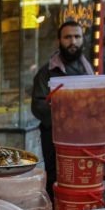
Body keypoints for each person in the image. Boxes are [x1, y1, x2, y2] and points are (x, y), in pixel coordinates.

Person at [30, 20, 94, 195]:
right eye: (68, 37)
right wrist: (67, 119)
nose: (73, 41)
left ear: (83, 40)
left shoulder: (90, 71)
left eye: (77, 36)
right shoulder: (45, 73)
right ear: (59, 41)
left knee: (83, 177)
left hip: (86, 137)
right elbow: (38, 106)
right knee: (56, 178)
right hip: (55, 139)